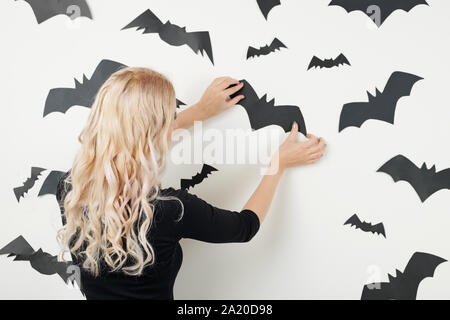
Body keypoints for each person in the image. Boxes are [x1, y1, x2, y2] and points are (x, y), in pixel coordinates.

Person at [56, 67, 326, 299]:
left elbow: (137, 136)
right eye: (170, 116)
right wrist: (277, 164)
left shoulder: (70, 190)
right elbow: (245, 226)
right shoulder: (170, 210)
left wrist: (201, 111)